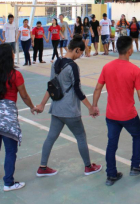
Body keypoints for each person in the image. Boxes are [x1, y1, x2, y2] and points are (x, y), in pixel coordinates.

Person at [31, 37, 103, 178]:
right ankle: (88, 167)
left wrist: (42, 104)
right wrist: (90, 107)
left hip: (56, 109)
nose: (79, 56)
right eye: (80, 53)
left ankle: (42, 167)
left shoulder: (55, 63)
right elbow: (77, 90)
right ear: (76, 50)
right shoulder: (73, 67)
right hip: (70, 110)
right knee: (81, 137)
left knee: (51, 137)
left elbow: (51, 86)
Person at [91, 36, 140, 186]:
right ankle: (135, 166)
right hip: (128, 114)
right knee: (137, 136)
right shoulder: (135, 70)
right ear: (130, 50)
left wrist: (94, 105)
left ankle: (111, 175)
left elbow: (98, 88)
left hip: (111, 114)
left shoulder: (107, 67)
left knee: (112, 144)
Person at [0, 44, 36, 191]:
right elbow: (24, 95)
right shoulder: (15, 75)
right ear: (9, 56)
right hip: (7, 118)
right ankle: (8, 183)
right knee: (10, 150)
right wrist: (32, 107)